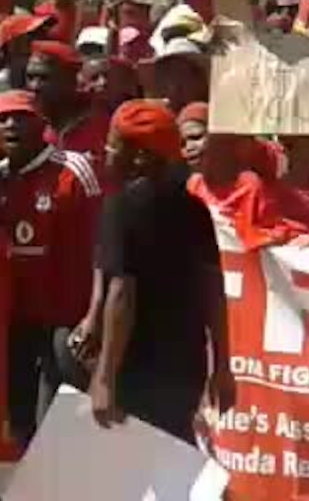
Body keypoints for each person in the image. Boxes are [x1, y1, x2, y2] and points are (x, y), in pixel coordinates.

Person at [90, 100, 234, 443]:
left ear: (138, 156)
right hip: (186, 366)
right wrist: (223, 367)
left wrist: (105, 376)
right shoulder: (195, 208)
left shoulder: (121, 207)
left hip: (135, 369)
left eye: (113, 145)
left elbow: (122, 293)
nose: (105, 152)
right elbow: (212, 289)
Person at [0, 90, 102, 448]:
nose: (11, 125)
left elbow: (104, 248)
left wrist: (94, 317)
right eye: (1, 119)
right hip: (19, 320)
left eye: (20, 117)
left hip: (68, 319)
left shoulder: (74, 170)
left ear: (42, 125)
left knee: (61, 423)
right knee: (21, 422)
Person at [181, 103, 309, 250]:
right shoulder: (193, 185)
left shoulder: (248, 185)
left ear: (218, 138)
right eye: (182, 143)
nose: (189, 148)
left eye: (196, 137)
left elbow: (260, 241)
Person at [25, 40, 111, 164]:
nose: (35, 86)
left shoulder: (102, 121)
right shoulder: (26, 125)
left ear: (70, 79)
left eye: (44, 78)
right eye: (30, 77)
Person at [0, 14, 54, 114]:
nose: (44, 40)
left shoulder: (57, 84)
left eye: (43, 33)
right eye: (33, 35)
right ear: (11, 46)